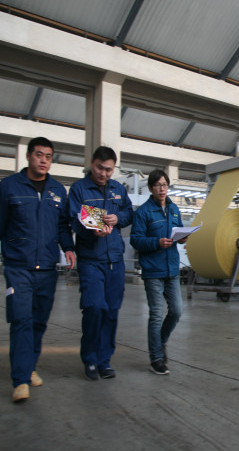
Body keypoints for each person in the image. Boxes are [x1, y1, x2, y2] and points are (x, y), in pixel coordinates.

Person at [0, 137, 76, 403]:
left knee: (39, 321)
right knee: (21, 320)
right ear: (29, 156)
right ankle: (20, 380)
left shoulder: (57, 190)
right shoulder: (9, 186)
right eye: (39, 155)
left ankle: (29, 366)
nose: (43, 160)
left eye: (48, 156)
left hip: (47, 268)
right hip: (18, 267)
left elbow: (62, 226)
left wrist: (68, 248)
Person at [68, 146, 133, 380]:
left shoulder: (118, 189)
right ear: (91, 163)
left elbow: (128, 213)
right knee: (95, 307)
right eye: (99, 168)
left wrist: (118, 218)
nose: (103, 174)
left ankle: (104, 361)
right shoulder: (79, 189)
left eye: (108, 170)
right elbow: (74, 221)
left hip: (115, 260)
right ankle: (90, 359)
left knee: (111, 312)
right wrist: (92, 231)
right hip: (90, 261)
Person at [130, 169, 187, 375]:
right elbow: (135, 240)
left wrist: (183, 237)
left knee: (177, 311)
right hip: (153, 270)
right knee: (156, 314)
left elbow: (178, 230)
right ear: (150, 188)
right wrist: (157, 242)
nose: (162, 189)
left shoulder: (173, 208)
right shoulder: (143, 212)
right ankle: (156, 358)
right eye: (157, 185)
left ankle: (160, 342)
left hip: (172, 269)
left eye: (164, 185)